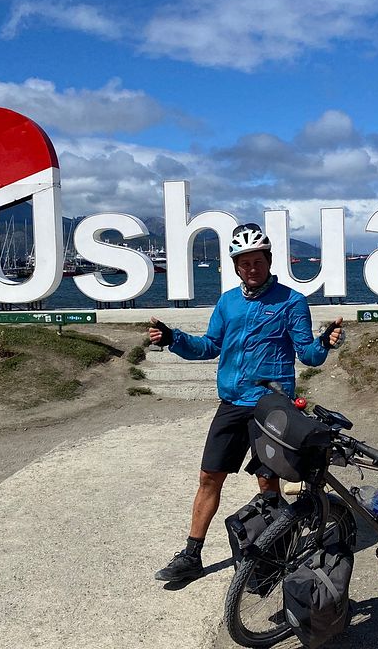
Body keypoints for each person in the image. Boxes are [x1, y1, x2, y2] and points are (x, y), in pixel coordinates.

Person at [149, 223, 344, 582]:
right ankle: (192, 555)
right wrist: (172, 338)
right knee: (209, 476)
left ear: (269, 262)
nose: (251, 268)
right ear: (235, 266)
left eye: (257, 261)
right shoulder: (228, 302)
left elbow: (309, 355)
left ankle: (276, 555)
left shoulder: (291, 301)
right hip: (232, 404)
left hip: (272, 407)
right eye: (244, 263)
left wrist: (326, 342)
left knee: (268, 482)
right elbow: (209, 346)